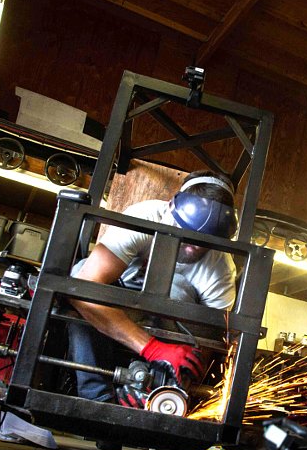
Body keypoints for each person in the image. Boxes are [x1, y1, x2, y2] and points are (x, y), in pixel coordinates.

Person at [67, 170, 238, 405]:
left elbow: (211, 342)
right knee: (79, 273)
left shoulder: (221, 270)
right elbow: (83, 286)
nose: (193, 247)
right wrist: (151, 348)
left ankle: (146, 394)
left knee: (176, 288)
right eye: (187, 233)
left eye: (204, 242)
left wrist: (179, 382)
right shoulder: (146, 216)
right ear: (171, 207)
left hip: (172, 323)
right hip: (120, 303)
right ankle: (98, 400)